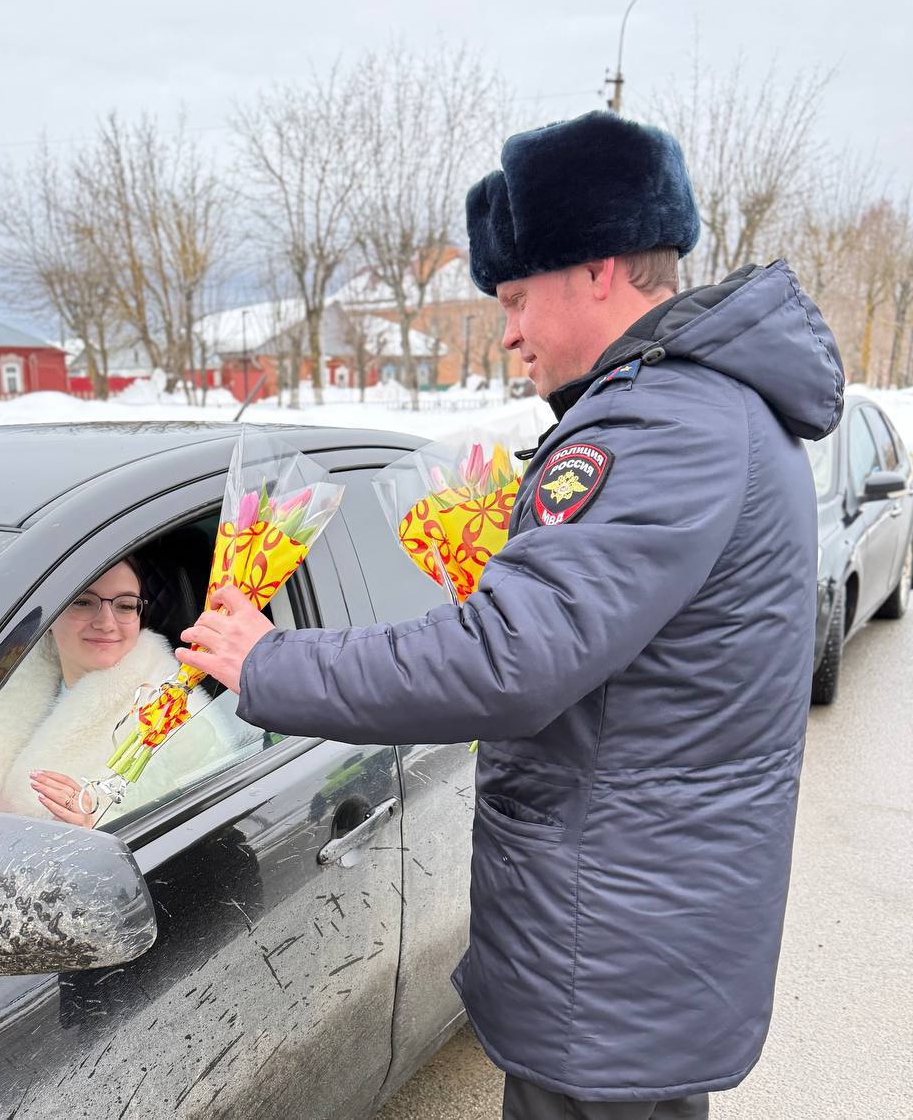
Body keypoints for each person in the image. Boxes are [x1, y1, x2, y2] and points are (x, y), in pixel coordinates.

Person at [176, 111, 844, 1120]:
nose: (510, 333)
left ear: (598, 270)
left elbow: (509, 660)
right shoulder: (704, 412)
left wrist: (267, 660)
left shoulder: (659, 426)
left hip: (610, 944)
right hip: (637, 933)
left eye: (516, 297)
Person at [0, 556, 216, 825]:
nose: (106, 623)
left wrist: (95, 822)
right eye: (83, 602)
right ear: (49, 614)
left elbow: (197, 831)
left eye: (124, 606)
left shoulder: (175, 716)